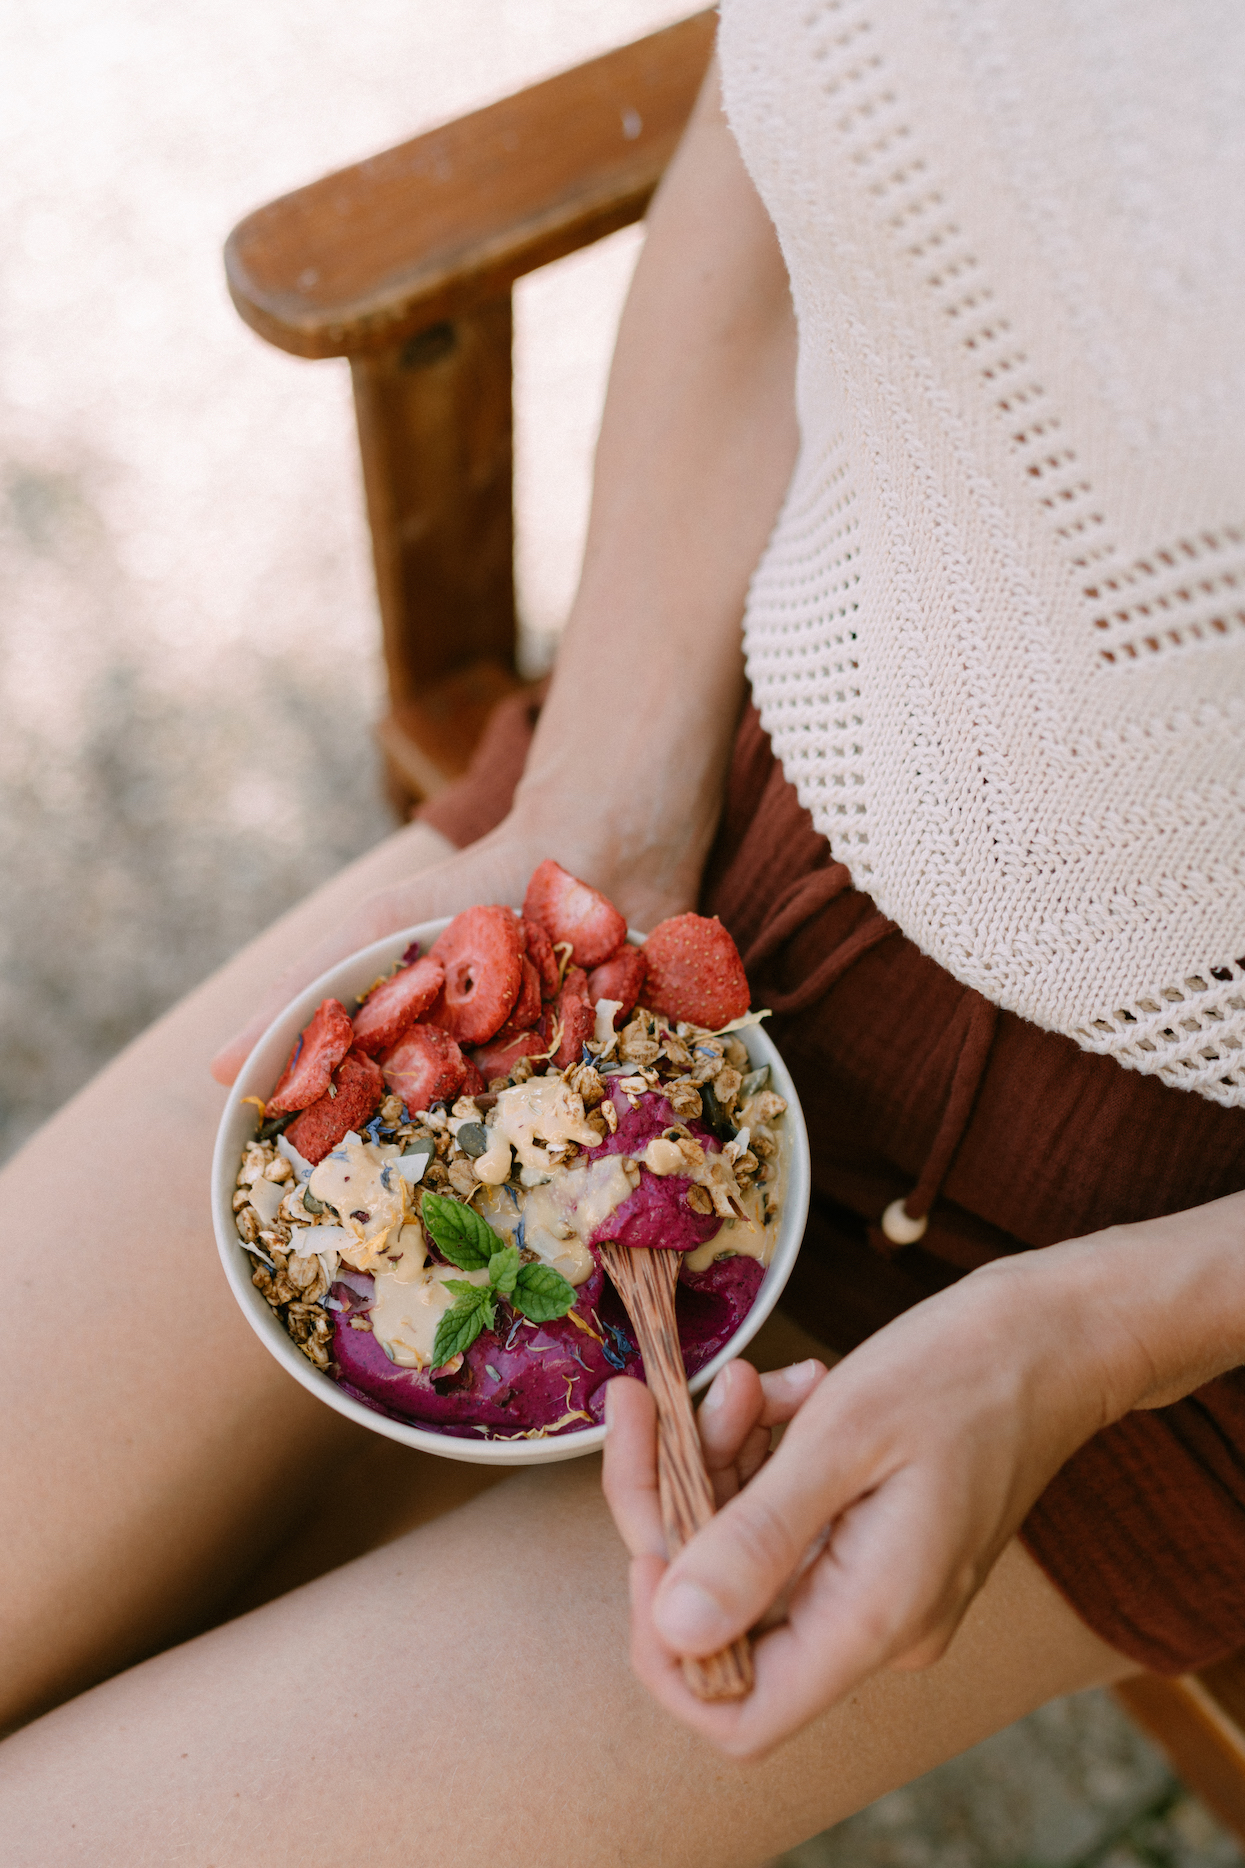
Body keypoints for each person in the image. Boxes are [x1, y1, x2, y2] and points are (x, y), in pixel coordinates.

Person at [1, 1, 1243, 1859]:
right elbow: (776, 138)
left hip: (1162, 1273)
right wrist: (601, 794)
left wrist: (1087, 1340)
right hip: (695, 835)